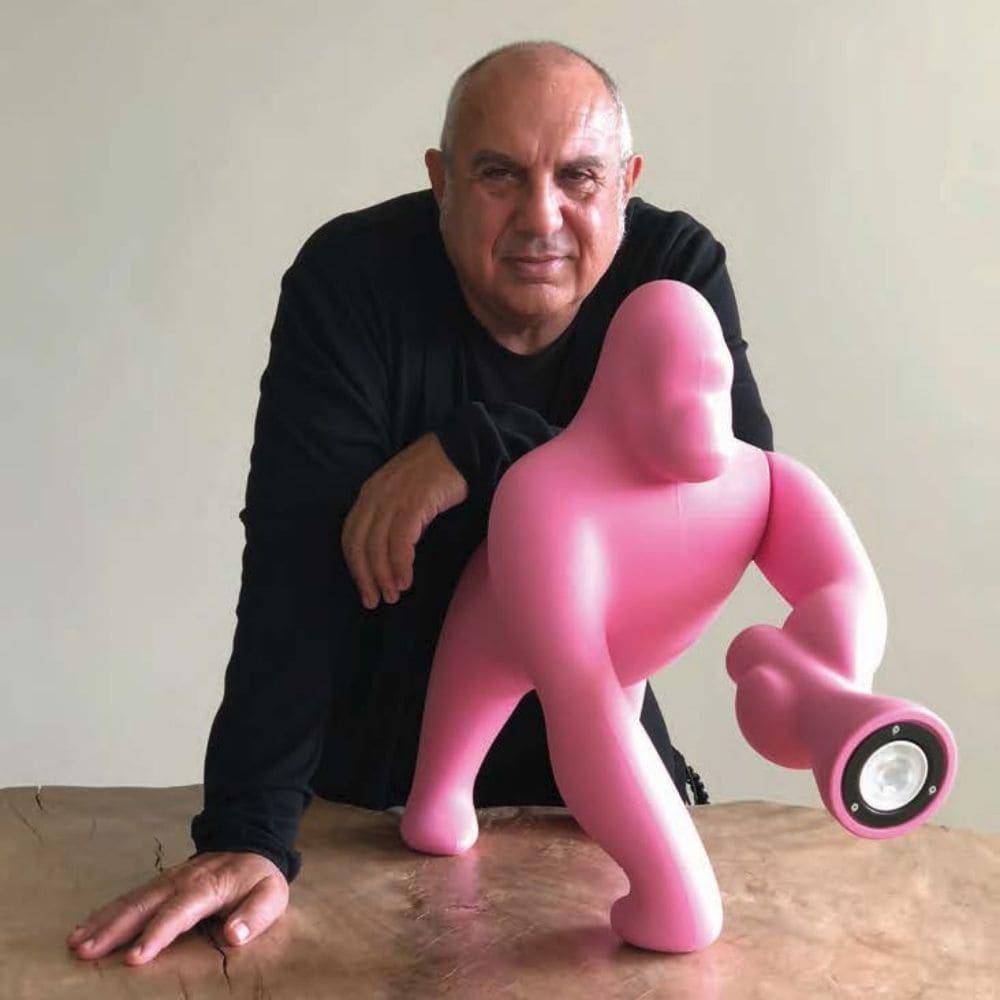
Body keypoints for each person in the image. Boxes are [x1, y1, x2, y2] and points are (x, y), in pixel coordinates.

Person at [67, 40, 772, 966]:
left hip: (599, 774)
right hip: (375, 790)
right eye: (498, 175)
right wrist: (248, 830)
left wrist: (483, 446)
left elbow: (724, 497)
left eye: (579, 177)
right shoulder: (350, 280)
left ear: (626, 186)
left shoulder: (670, 276)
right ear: (440, 180)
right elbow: (294, 567)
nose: (542, 217)